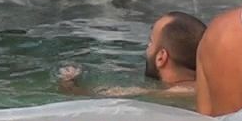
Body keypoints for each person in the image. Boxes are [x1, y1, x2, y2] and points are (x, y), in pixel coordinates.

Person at [58, 12, 204, 98]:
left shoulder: (174, 92)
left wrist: (68, 82)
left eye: (150, 43)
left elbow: (90, 96)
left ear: (161, 58)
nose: (146, 50)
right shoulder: (207, 87)